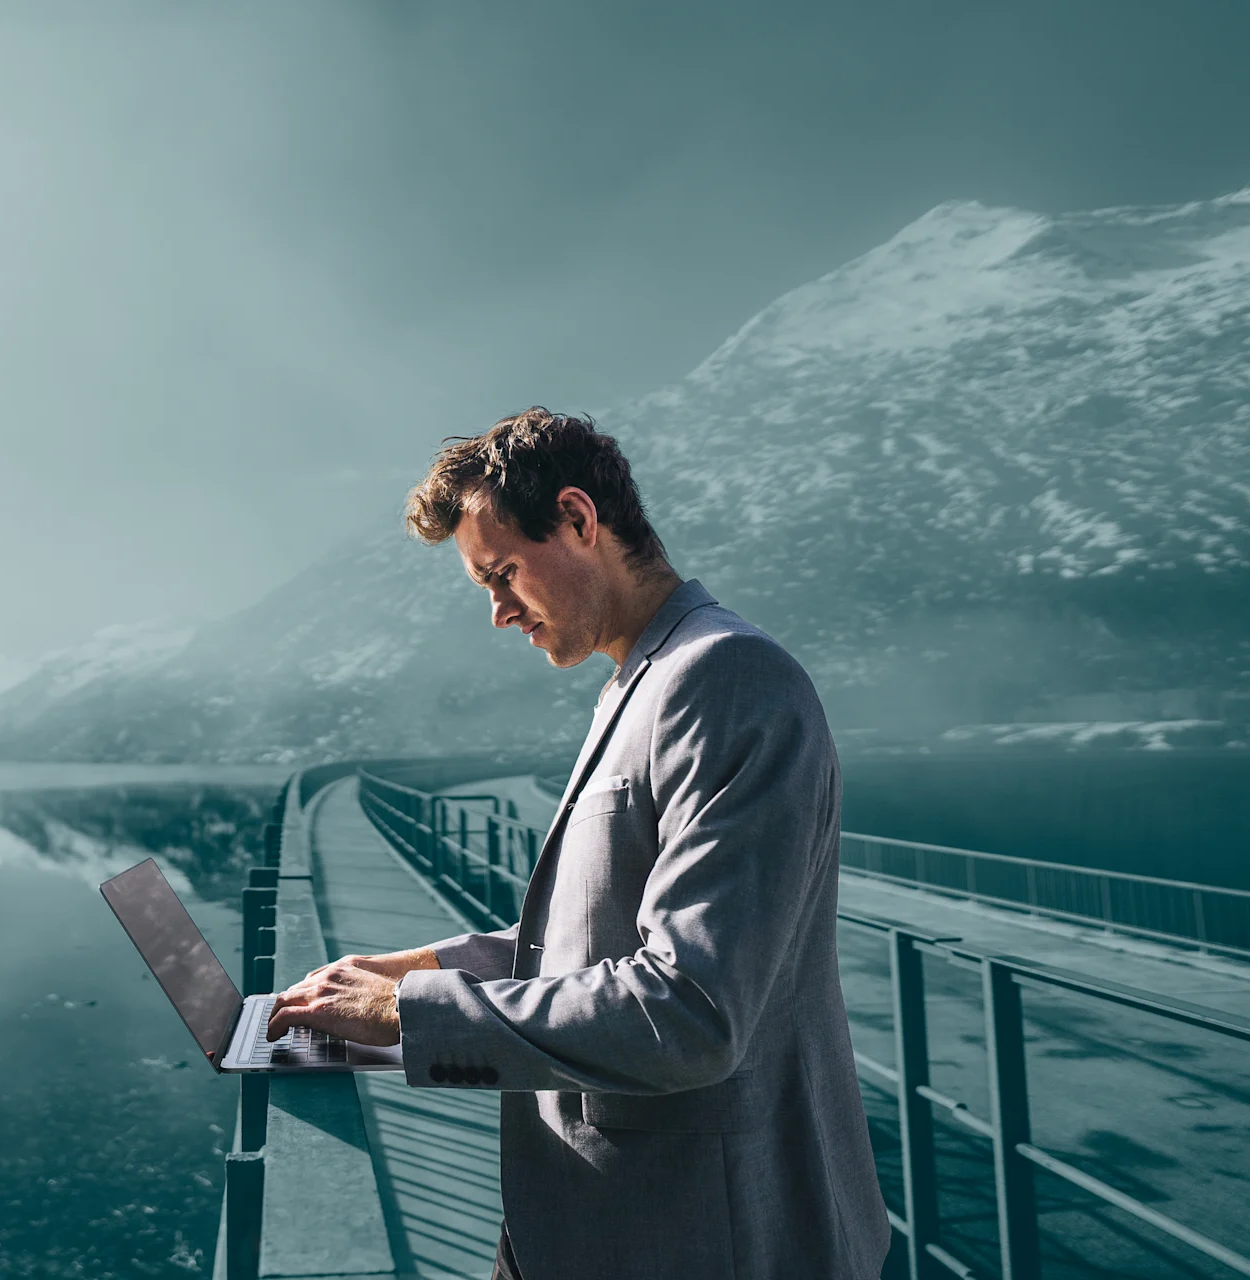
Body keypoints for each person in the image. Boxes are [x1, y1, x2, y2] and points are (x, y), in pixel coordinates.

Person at [265, 409, 890, 1279]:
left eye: (503, 573)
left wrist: (406, 1017)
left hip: (700, 1236)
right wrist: (411, 970)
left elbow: (691, 1012)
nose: (497, 613)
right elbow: (590, 947)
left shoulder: (726, 678)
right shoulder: (640, 680)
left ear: (579, 519)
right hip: (588, 1225)